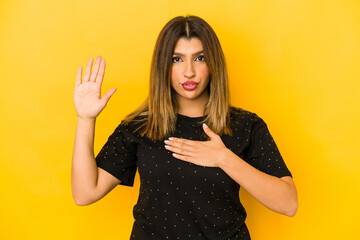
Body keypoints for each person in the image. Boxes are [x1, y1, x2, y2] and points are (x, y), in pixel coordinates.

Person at [72, 15, 298, 240]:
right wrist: (85, 119)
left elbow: (288, 203)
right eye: (177, 59)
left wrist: (224, 159)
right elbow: (85, 193)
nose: (189, 71)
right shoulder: (139, 127)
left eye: (199, 58)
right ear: (163, 66)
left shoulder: (244, 125)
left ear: (213, 64)